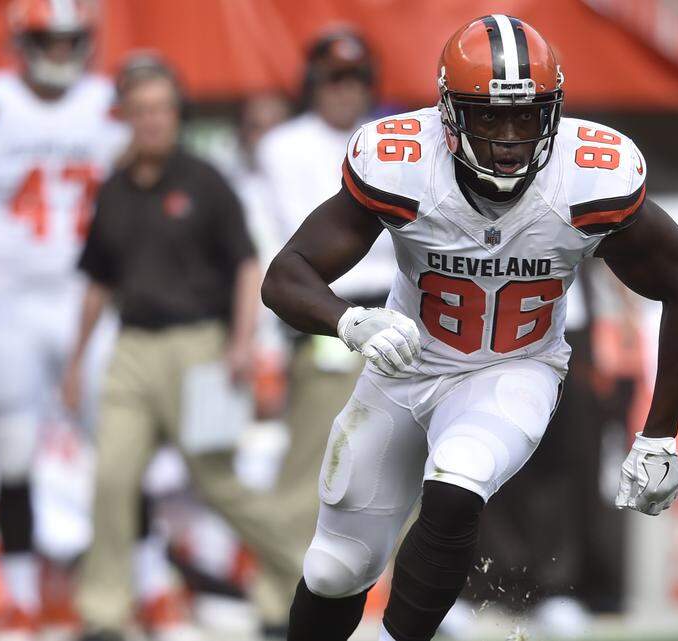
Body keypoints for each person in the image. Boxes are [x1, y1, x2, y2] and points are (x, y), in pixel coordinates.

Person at [262, 15, 678, 641]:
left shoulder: (587, 176)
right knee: (338, 567)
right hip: (406, 366)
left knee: (458, 478)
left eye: (525, 117)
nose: (507, 136)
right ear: (449, 116)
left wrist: (660, 434)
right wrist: (349, 321)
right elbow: (287, 273)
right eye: (488, 117)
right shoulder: (405, 164)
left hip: (514, 368)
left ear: (552, 114)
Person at [0, 1, 186, 633]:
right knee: (14, 451)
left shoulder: (107, 103)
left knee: (123, 447)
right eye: (48, 38)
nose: (60, 50)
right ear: (21, 39)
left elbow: (146, 188)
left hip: (86, 298)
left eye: (72, 38)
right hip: (8, 299)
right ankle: (20, 595)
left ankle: (149, 582)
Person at [64, 54, 301, 641]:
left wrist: (242, 343)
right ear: (127, 116)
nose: (151, 121)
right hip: (133, 349)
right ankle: (103, 613)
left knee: (218, 482)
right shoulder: (114, 189)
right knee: (113, 477)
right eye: (140, 110)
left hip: (201, 345)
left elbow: (248, 265)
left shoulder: (205, 180)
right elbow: (98, 279)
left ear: (178, 115)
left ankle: (301, 578)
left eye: (162, 109)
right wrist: (76, 357)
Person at [253, 29, 396, 627]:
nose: (346, 91)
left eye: (356, 79)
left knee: (402, 459)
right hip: (328, 311)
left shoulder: (394, 140)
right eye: (335, 79)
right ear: (313, 84)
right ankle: (277, 594)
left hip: (396, 311)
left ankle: (403, 600)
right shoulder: (284, 146)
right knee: (311, 462)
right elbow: (285, 240)